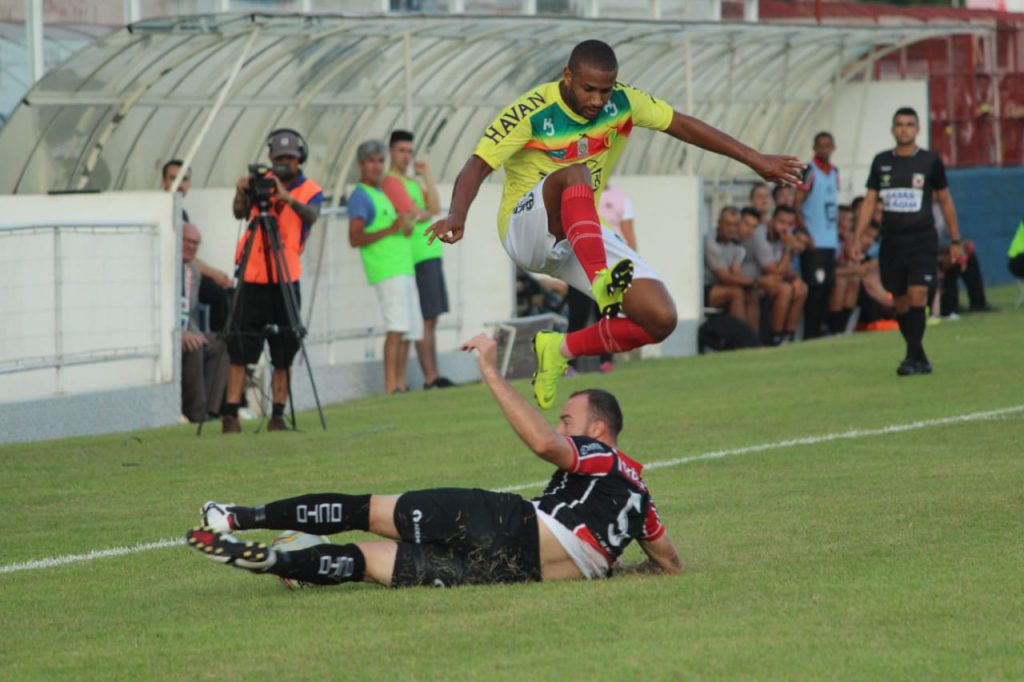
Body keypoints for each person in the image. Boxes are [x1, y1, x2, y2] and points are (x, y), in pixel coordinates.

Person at [427, 39, 803, 409]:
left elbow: (683, 125)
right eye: (588, 89)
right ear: (568, 76)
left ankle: (558, 349)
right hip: (525, 228)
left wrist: (755, 159)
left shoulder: (623, 102)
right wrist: (458, 214)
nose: (597, 100)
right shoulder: (531, 110)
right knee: (574, 174)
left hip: (580, 231)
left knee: (660, 318)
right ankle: (602, 281)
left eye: (604, 90)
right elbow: (477, 164)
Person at [185, 332, 681, 588]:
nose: (561, 428)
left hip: (509, 525)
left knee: (369, 511)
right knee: (373, 565)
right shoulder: (640, 498)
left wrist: (489, 369)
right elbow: (669, 564)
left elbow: (544, 446)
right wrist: (618, 569)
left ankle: (234, 516)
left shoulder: (600, 455)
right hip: (513, 572)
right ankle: (283, 562)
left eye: (568, 420)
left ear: (598, 431)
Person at [222, 129, 323, 433]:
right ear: (270, 158)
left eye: (289, 159)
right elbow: (239, 213)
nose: (283, 165)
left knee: (284, 348)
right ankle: (230, 414)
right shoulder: (258, 185)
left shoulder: (309, 190)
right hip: (252, 277)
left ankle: (277, 414)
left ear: (299, 159)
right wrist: (242, 192)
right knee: (240, 345)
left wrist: (286, 197)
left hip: (285, 277)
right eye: (279, 159)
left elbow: (311, 215)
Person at [851, 107, 963, 376]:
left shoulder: (929, 161)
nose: (904, 129)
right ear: (892, 128)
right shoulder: (881, 162)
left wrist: (956, 238)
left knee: (918, 294)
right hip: (892, 240)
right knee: (900, 301)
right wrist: (857, 237)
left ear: (917, 129)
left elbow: (945, 199)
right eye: (899, 124)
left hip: (922, 238)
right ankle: (919, 356)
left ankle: (910, 358)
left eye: (909, 124)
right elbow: (869, 200)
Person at [381, 130, 456, 389]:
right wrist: (421, 212)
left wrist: (427, 176)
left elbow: (433, 208)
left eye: (410, 151)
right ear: (391, 151)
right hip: (414, 255)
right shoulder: (390, 181)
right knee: (424, 317)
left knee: (432, 317)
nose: (406, 156)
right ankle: (430, 376)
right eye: (402, 151)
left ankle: (433, 374)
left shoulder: (412, 181)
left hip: (429, 252)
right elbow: (413, 213)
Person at [348, 139, 420, 395]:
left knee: (406, 328)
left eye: (380, 161)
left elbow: (395, 228)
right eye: (371, 161)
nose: (377, 167)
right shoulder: (360, 196)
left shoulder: (380, 193)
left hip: (402, 265)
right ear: (361, 165)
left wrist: (403, 227)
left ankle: (400, 383)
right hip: (386, 269)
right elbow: (355, 237)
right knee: (396, 327)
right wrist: (391, 229)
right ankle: (391, 384)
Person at [162, 159, 232, 332]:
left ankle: (227, 346)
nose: (179, 184)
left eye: (184, 180)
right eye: (173, 178)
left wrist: (217, 275)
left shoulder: (181, 212)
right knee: (219, 294)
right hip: (171, 278)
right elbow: (182, 255)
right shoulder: (162, 210)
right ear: (163, 181)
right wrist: (215, 274)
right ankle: (218, 344)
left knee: (231, 293)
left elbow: (189, 256)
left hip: (186, 274)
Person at [793, 132, 840, 340]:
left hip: (830, 240)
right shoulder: (809, 171)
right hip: (815, 241)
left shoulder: (834, 172)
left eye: (827, 145)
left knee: (828, 287)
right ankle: (810, 334)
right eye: (820, 145)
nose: (824, 149)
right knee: (815, 289)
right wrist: (804, 231)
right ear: (814, 147)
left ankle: (822, 329)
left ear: (833, 147)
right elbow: (797, 203)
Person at [181, 223, 228, 423]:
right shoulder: (166, 266)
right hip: (172, 335)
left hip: (188, 330)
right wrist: (180, 334)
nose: (192, 247)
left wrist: (195, 333)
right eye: (188, 242)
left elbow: (188, 313)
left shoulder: (194, 271)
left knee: (222, 343)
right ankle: (196, 414)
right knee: (195, 347)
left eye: (196, 243)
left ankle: (212, 410)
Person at [749, 206, 808, 345]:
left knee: (802, 288)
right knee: (785, 289)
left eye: (789, 224)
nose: (785, 228)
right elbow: (774, 270)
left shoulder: (783, 237)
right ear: (772, 221)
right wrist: (788, 248)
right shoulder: (760, 235)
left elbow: (784, 268)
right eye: (782, 222)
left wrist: (795, 279)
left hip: (771, 281)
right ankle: (776, 336)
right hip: (753, 282)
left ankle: (789, 334)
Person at [703, 207, 756, 326]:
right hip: (703, 290)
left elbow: (735, 276)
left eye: (735, 225)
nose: (731, 229)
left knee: (750, 293)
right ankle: (740, 340)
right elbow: (726, 278)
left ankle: (753, 340)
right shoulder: (710, 242)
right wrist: (757, 281)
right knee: (736, 292)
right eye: (728, 224)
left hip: (721, 287)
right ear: (719, 223)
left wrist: (753, 284)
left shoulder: (738, 246)